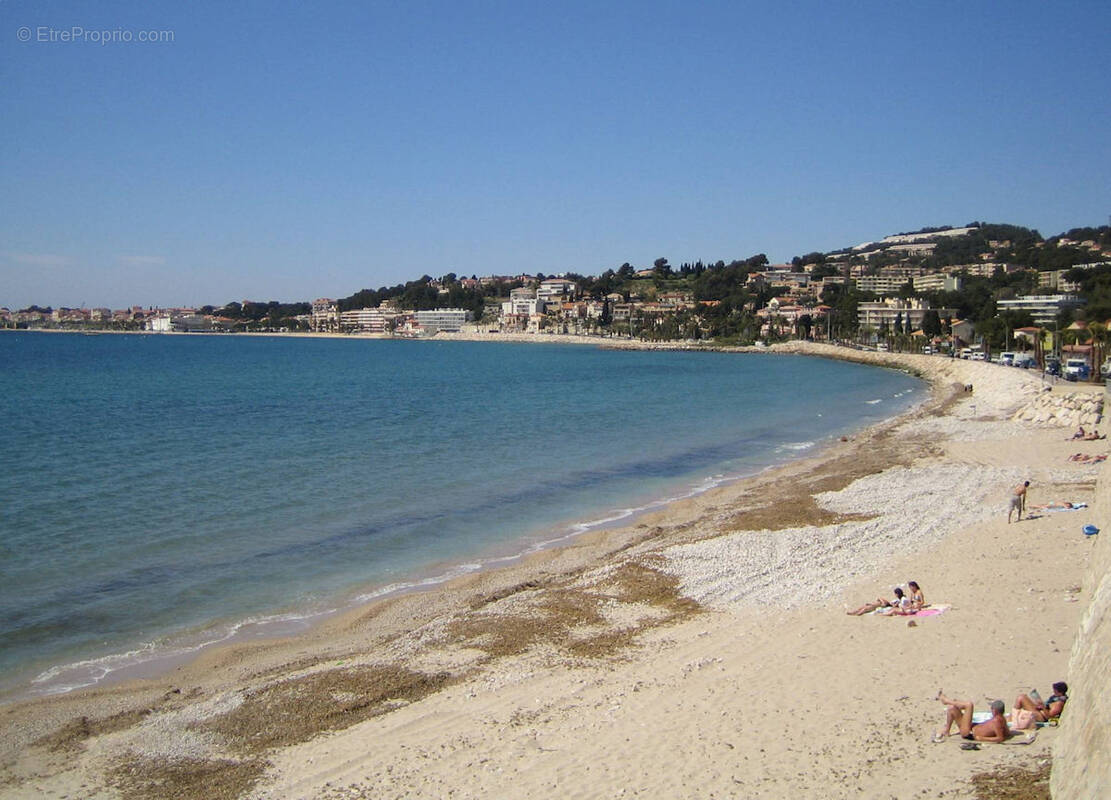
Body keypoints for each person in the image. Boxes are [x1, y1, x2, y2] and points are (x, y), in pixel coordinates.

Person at [933, 692, 1011, 743]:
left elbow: (1000, 738)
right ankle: (947, 731)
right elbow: (1007, 733)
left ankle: (946, 701)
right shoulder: (1002, 719)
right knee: (952, 709)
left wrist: (982, 738)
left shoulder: (997, 722)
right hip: (972, 727)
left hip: (969, 734)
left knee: (969, 705)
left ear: (995, 711)